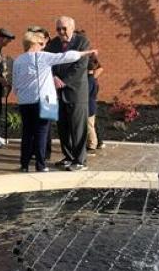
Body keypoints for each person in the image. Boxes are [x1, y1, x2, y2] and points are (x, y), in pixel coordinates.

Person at [12, 30, 98, 173]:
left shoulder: (18, 60)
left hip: (24, 101)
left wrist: (21, 93)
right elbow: (66, 57)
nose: (43, 46)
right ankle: (41, 165)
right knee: (42, 133)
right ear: (34, 44)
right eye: (41, 43)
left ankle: (24, 165)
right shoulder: (43, 57)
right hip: (46, 100)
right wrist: (86, 52)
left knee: (27, 133)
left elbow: (15, 83)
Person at [44, 16, 91, 170]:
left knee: (77, 128)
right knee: (62, 126)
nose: (61, 32)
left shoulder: (82, 42)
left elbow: (80, 66)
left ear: (72, 27)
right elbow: (47, 62)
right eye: (58, 29)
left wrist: (63, 81)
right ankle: (69, 156)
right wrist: (54, 77)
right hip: (57, 93)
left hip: (76, 93)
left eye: (64, 28)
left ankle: (80, 160)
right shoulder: (53, 44)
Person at [86, 52, 104, 154]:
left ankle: (93, 144)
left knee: (90, 126)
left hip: (89, 105)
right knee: (91, 125)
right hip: (92, 104)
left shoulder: (89, 80)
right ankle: (94, 142)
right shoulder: (93, 80)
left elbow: (87, 92)